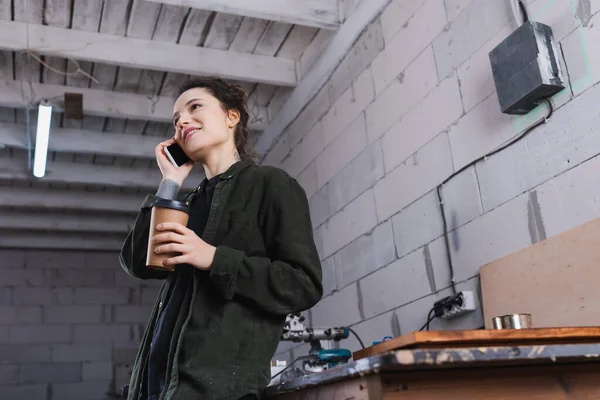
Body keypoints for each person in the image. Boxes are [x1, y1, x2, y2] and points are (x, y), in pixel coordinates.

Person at [119, 77, 323, 400]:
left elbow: (303, 284)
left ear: (232, 117)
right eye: (175, 120)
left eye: (194, 107)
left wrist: (213, 258)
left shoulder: (271, 185)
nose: (182, 121)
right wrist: (169, 183)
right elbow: (137, 262)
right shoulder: (189, 205)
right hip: (156, 391)